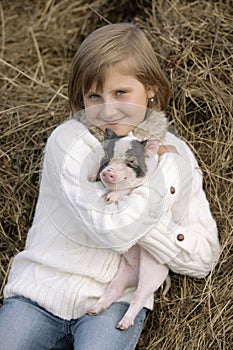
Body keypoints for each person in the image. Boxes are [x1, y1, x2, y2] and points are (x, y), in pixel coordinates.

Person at [0, 23, 220, 350]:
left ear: (151, 88)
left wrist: (151, 223)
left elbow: (203, 257)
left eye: (121, 93)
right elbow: (112, 231)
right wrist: (152, 196)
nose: (108, 108)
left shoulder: (177, 156)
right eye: (94, 96)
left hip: (114, 302)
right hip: (40, 293)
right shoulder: (71, 141)